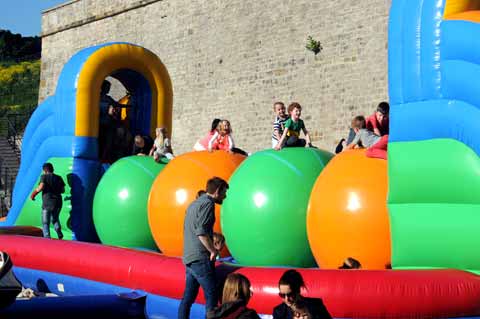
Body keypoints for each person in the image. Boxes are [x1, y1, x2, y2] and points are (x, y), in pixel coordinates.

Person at [178, 177, 229, 319]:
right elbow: (200, 231)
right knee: (212, 295)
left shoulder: (194, 204)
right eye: (224, 192)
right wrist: (213, 250)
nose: (225, 196)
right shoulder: (208, 204)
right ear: (217, 191)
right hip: (200, 258)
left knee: (188, 298)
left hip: (189, 257)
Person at [30, 163, 66, 239]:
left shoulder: (44, 177)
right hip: (58, 202)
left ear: (44, 170)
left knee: (45, 222)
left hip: (47, 202)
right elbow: (63, 190)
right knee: (55, 219)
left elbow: (41, 187)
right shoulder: (59, 178)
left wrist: (33, 194)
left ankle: (47, 238)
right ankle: (59, 232)